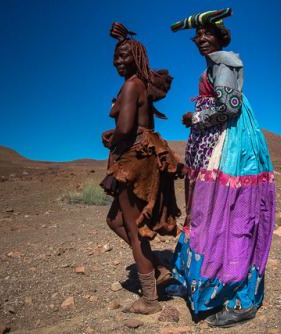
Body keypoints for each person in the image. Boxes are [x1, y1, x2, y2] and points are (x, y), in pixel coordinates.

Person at [168, 8, 276, 327]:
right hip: (218, 148)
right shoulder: (213, 66)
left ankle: (239, 299)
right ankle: (199, 282)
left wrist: (196, 118)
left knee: (228, 217)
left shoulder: (222, 63)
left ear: (220, 37)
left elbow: (230, 106)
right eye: (198, 35)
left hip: (231, 153)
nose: (201, 39)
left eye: (208, 34)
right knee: (208, 214)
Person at [100, 22, 183, 315]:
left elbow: (124, 127)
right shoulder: (140, 85)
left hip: (134, 160)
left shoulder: (132, 85)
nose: (119, 62)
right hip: (142, 154)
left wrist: (113, 137)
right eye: (116, 57)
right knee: (115, 220)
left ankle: (149, 300)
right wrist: (118, 135)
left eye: (124, 56)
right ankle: (158, 268)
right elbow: (133, 125)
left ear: (137, 58)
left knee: (134, 231)